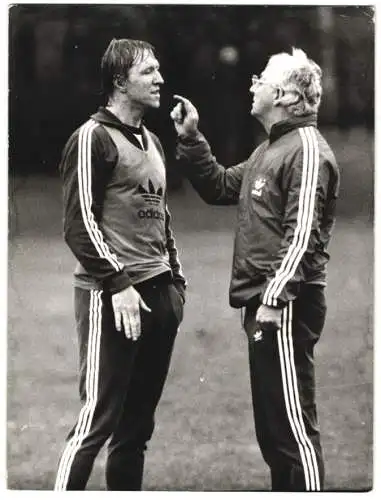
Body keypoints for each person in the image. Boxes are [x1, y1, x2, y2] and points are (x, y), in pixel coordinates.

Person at [170, 48, 339, 491]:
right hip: (265, 306)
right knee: (274, 435)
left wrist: (274, 297)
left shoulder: (304, 149)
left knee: (292, 434)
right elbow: (224, 185)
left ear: (282, 94)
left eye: (260, 78)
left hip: (283, 306)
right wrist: (191, 139)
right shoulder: (272, 148)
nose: (252, 83)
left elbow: (300, 234)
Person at [54, 38, 186, 491]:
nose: (160, 79)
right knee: (96, 422)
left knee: (135, 432)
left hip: (158, 295)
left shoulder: (152, 142)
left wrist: (176, 286)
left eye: (159, 70)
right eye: (148, 71)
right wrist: (118, 283)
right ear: (118, 81)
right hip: (111, 296)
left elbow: (163, 221)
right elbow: (78, 223)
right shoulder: (92, 137)